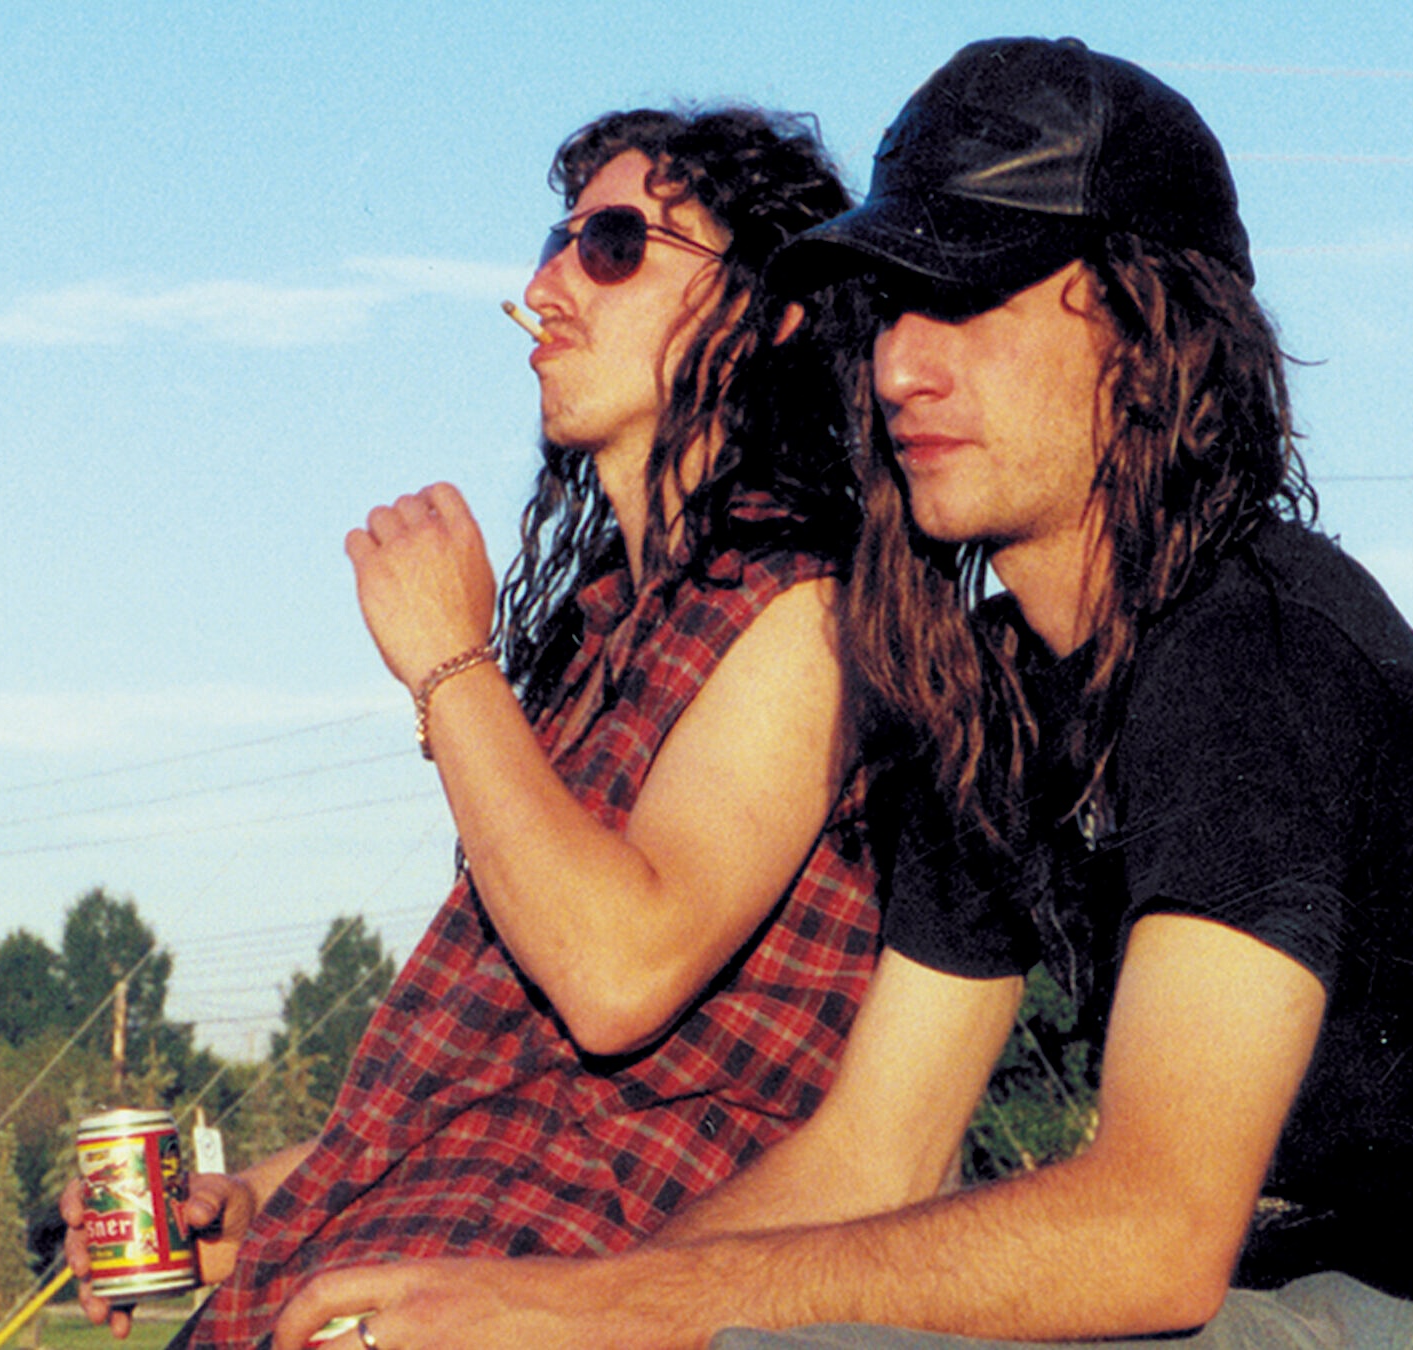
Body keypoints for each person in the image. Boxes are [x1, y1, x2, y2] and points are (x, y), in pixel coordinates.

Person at [271, 37, 1413, 1350]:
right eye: (889, 309)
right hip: (1249, 1290)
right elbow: (874, 1152)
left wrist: (602, 1308)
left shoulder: (1255, 648)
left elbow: (1152, 1230)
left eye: (967, 302)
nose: (901, 365)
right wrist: (544, 1309)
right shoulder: (999, 690)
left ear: (1150, 334)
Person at [62, 107, 880, 1348]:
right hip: (405, 1262)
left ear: (766, 312)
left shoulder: (808, 610)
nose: (544, 286)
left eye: (613, 246)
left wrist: (451, 663)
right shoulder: (608, 631)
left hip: (558, 1287)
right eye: (557, 244)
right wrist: (259, 1204)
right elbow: (495, 1081)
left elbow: (616, 977)